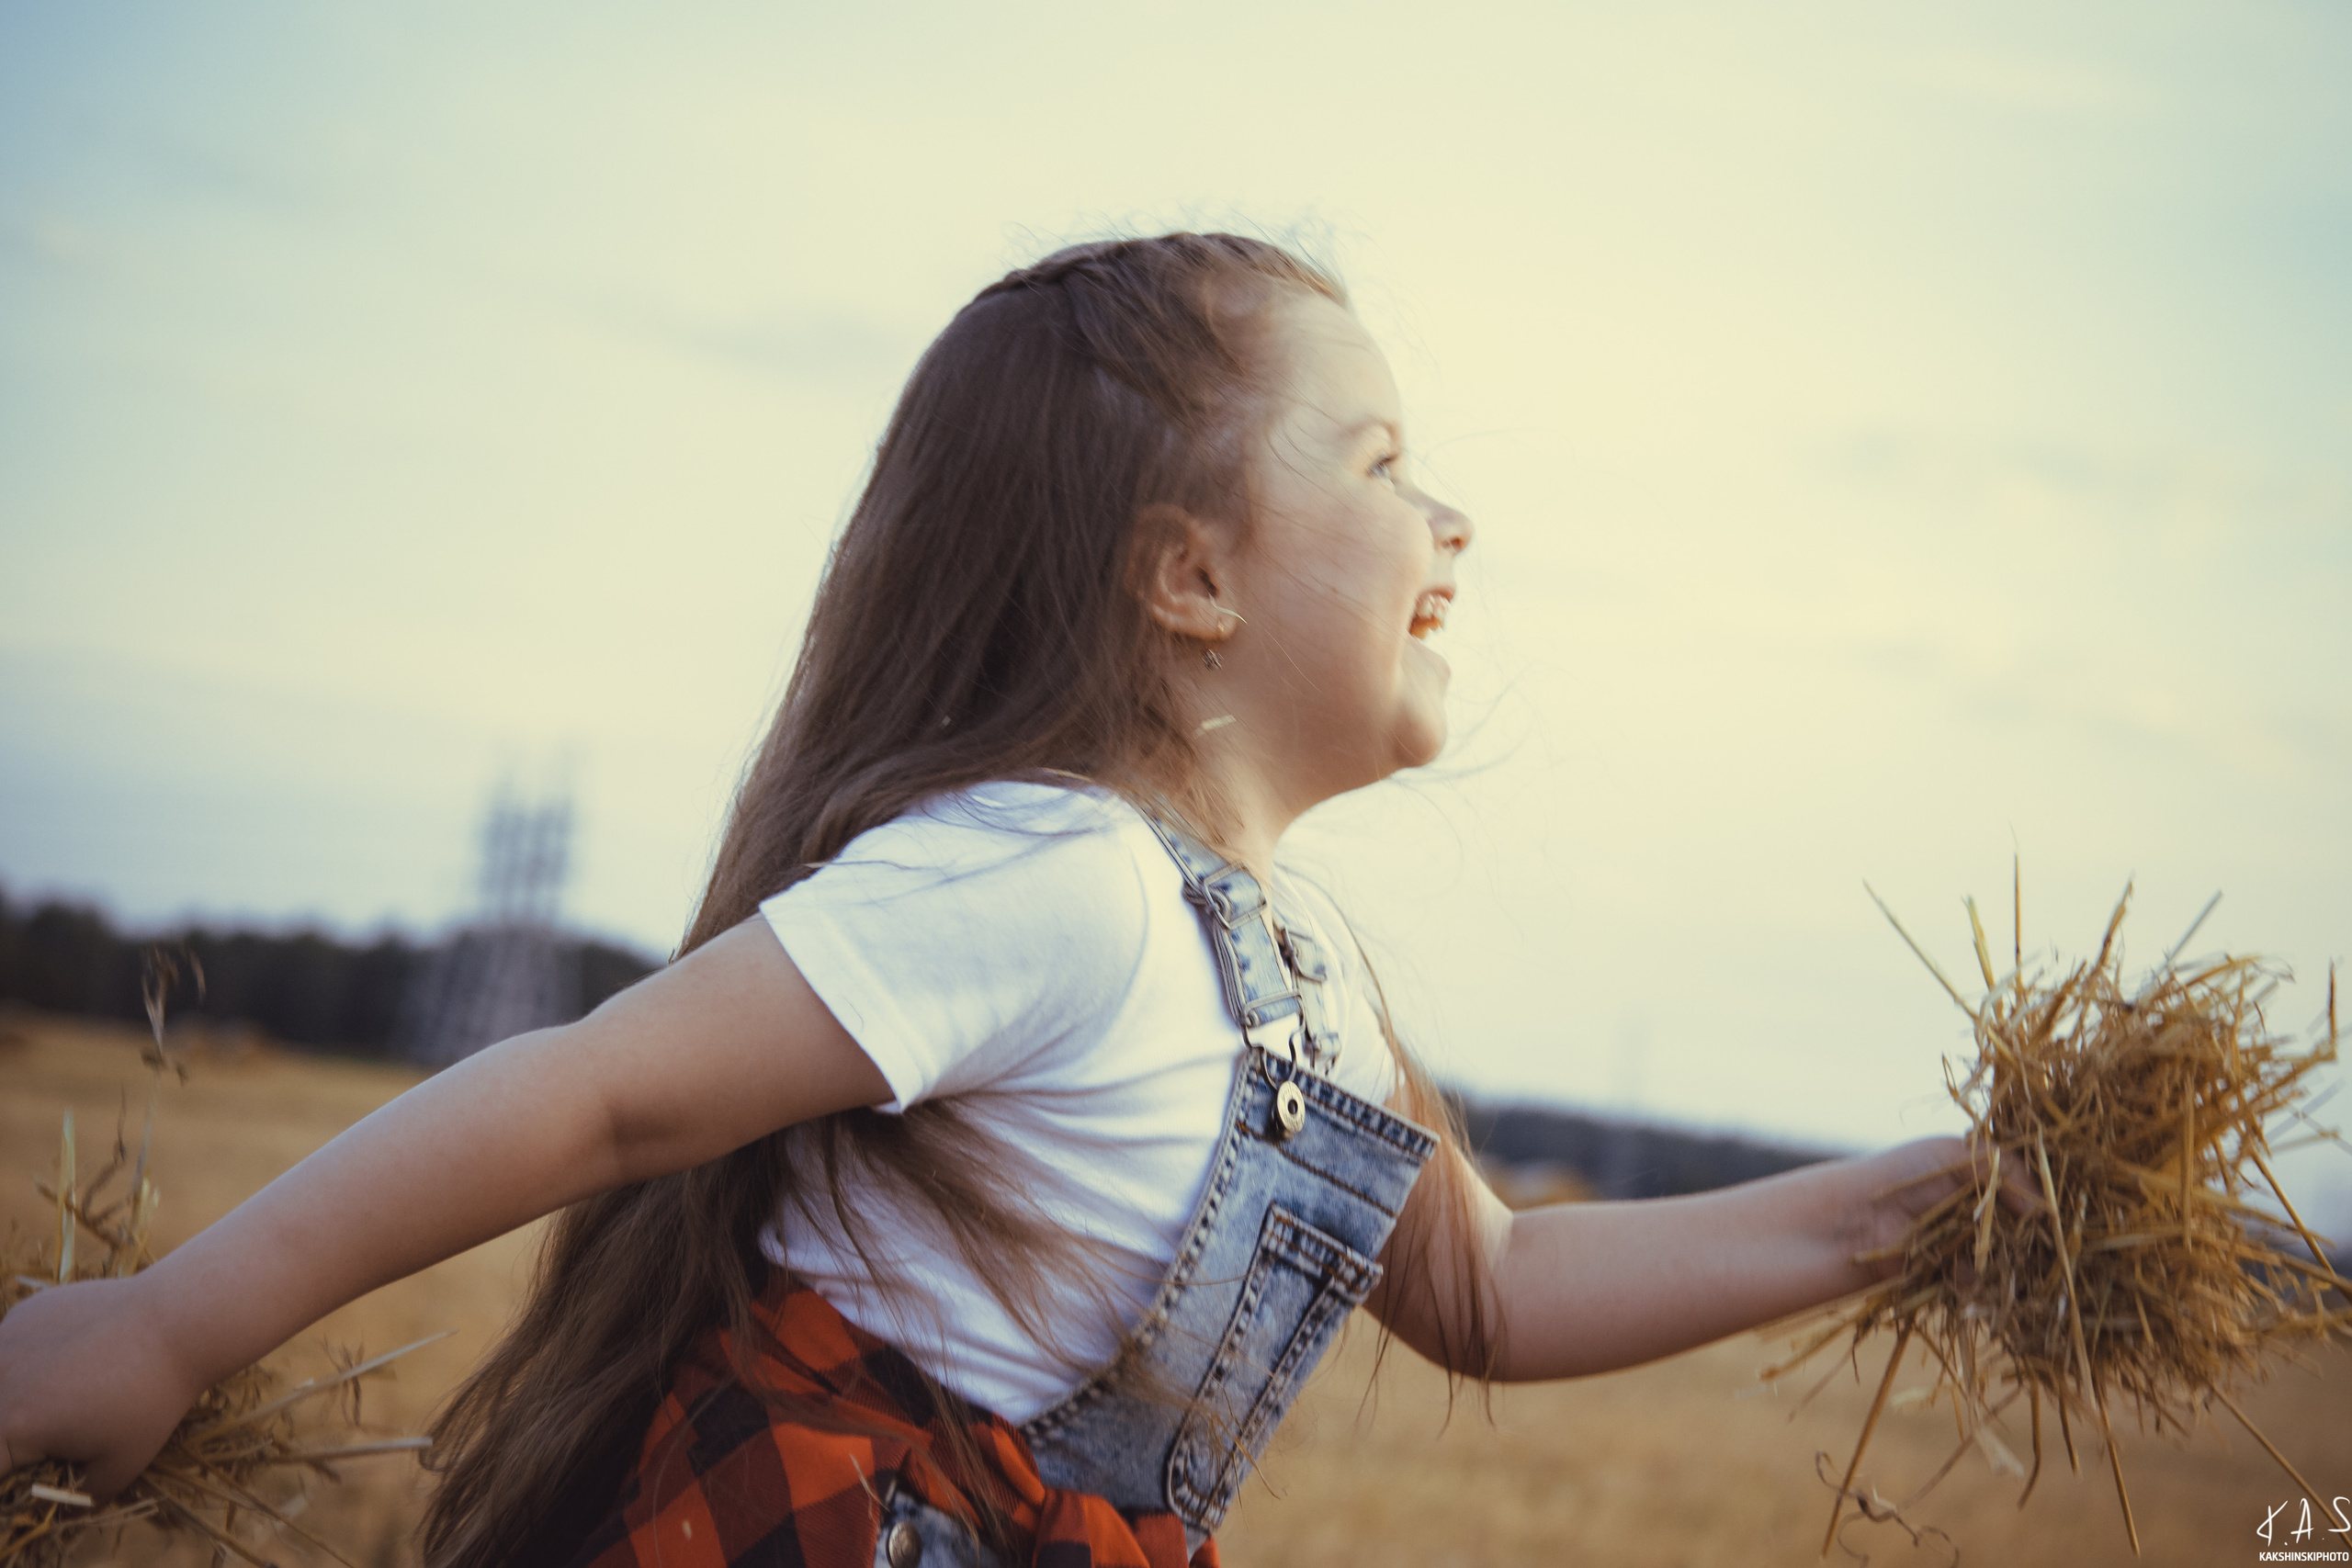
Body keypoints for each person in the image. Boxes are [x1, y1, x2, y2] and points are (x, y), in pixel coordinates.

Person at [0, 234, 1984, 1568]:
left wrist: (1918, 1207)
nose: (1450, 515)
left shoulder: (1300, 989)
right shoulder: (1050, 880)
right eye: (1383, 460)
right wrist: (171, 1320)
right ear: (1186, 575)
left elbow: (1492, 1284)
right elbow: (607, 1090)